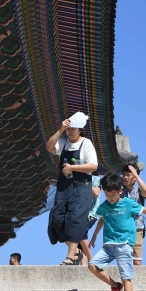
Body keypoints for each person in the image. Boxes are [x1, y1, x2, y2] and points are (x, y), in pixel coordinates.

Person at [46, 112, 98, 265]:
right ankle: (76, 251)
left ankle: (70, 257)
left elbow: (93, 166)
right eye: (69, 128)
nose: (70, 131)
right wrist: (60, 129)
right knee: (56, 218)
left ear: (80, 129)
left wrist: (72, 168)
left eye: (73, 128)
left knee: (74, 219)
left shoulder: (86, 143)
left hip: (82, 187)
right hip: (64, 187)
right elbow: (49, 146)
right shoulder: (63, 142)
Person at [121, 163, 146, 265]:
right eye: (124, 175)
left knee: (137, 261)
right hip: (122, 228)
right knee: (124, 260)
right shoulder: (119, 191)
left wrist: (136, 175)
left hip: (137, 227)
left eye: (128, 175)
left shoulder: (138, 190)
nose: (125, 177)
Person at [78, 171, 101, 265]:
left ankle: (92, 261)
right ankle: (83, 266)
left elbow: (96, 193)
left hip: (92, 213)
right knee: (79, 238)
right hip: (80, 212)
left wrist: (86, 182)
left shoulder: (96, 179)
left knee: (82, 233)